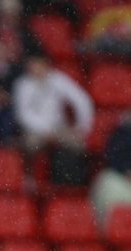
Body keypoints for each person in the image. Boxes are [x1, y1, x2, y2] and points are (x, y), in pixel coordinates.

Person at [13, 54, 93, 183]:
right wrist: (46, 130)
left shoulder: (58, 80)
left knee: (79, 146)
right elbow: (23, 114)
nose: (36, 68)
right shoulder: (22, 84)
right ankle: (27, 180)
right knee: (27, 145)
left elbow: (81, 100)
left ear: (46, 65)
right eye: (33, 65)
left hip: (59, 128)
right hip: (34, 130)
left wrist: (81, 126)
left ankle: (74, 183)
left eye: (39, 65)